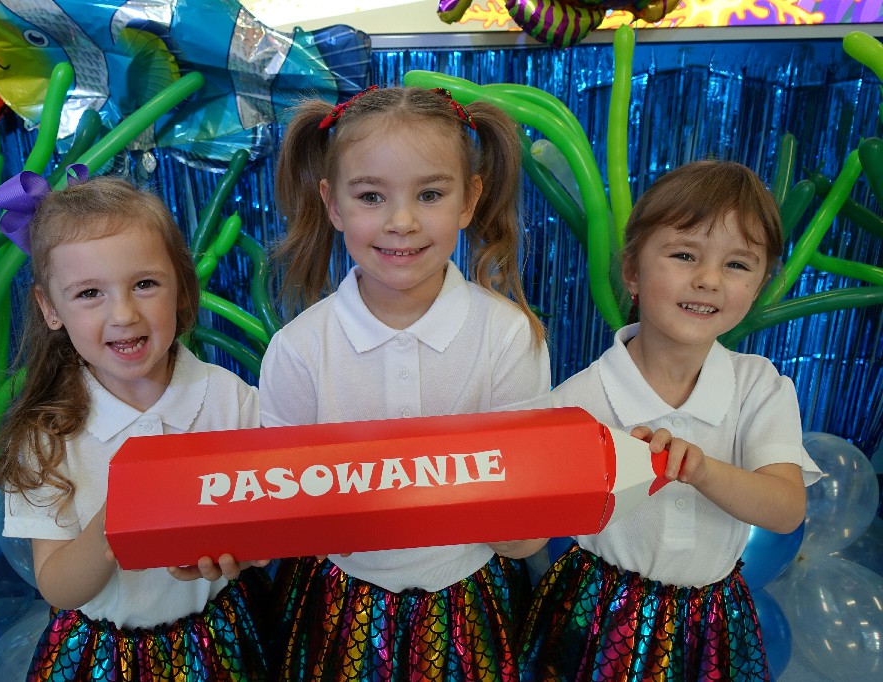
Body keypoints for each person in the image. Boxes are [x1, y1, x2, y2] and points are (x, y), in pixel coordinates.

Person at [258, 84, 553, 680]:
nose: (402, 222)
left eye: (430, 194)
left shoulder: (508, 338)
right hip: (340, 606)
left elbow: (524, 520)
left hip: (471, 600)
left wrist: (527, 524)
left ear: (470, 200)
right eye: (371, 196)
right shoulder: (297, 351)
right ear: (332, 203)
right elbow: (278, 511)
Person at [517, 160, 822, 681]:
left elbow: (786, 509)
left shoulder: (760, 385)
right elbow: (530, 528)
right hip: (600, 617)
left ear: (759, 285)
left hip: (713, 619)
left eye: (737, 264)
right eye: (684, 255)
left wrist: (701, 469)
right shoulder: (576, 401)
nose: (708, 280)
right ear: (632, 271)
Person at [0, 172, 270, 681]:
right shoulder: (46, 437)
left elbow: (265, 520)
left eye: (144, 284)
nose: (123, 314)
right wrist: (112, 527)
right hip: (106, 655)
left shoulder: (231, 400)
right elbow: (57, 587)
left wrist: (245, 554)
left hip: (220, 635)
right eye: (90, 292)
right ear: (50, 309)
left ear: (181, 289)